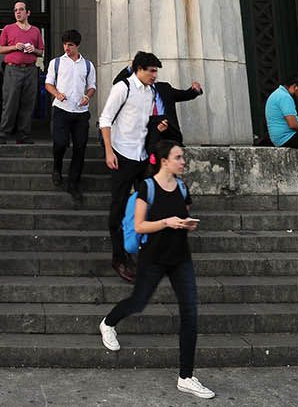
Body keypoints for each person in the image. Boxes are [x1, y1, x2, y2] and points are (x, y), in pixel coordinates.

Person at [98, 140, 215, 400]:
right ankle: (108, 323)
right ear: (164, 161)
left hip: (180, 258)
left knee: (190, 314)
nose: (183, 161)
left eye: (182, 157)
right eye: (178, 157)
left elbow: (183, 215)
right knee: (138, 302)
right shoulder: (146, 188)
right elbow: (139, 226)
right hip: (153, 258)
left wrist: (186, 225)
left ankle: (186, 376)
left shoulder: (182, 187)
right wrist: (166, 222)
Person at [98, 51, 160, 282]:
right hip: (121, 155)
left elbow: (144, 124)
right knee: (118, 207)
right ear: (139, 69)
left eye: (156, 71)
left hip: (142, 156)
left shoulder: (151, 91)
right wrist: (108, 152)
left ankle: (138, 252)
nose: (154, 75)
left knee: (144, 204)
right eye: (151, 70)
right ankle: (119, 258)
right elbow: (105, 119)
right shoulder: (123, 88)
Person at [113, 59, 204, 165]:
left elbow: (184, 94)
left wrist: (195, 90)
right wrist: (130, 67)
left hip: (166, 128)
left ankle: (175, 143)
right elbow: (118, 83)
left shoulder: (164, 88)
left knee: (163, 121)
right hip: (147, 128)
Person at [43, 29, 96, 207]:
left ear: (77, 45)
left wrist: (88, 96)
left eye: (70, 45)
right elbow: (48, 83)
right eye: (65, 44)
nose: (67, 48)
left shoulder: (87, 65)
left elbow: (92, 86)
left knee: (80, 147)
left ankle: (74, 183)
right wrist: (57, 94)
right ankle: (57, 167)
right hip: (61, 109)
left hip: (81, 112)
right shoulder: (56, 63)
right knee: (60, 143)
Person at [0, 1, 44, 144]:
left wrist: (33, 50)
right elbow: (0, 49)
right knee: (10, 102)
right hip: (13, 69)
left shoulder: (35, 31)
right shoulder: (8, 29)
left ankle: (23, 135)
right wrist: (14, 47)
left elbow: (41, 51)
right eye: (16, 10)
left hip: (30, 69)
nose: (18, 12)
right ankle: (3, 133)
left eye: (21, 10)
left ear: (28, 13)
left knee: (28, 103)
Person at [264, 75, 298, 149]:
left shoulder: (278, 94)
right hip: (287, 138)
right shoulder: (285, 97)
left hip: (282, 138)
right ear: (295, 87)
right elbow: (293, 124)